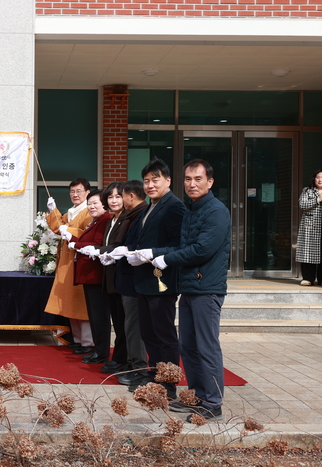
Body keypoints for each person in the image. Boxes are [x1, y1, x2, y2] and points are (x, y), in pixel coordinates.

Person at [152, 159, 231, 422]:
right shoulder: (192, 209)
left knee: (206, 346)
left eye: (198, 179)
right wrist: (153, 254)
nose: (192, 184)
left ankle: (213, 402)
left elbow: (202, 249)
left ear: (210, 182)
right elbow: (181, 246)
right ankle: (196, 396)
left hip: (207, 288)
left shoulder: (216, 211)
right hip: (190, 287)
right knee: (189, 345)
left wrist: (167, 260)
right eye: (187, 179)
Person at [123, 158, 185, 400]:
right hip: (144, 281)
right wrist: (126, 252)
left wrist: (152, 254)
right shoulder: (150, 207)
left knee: (164, 334)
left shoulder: (174, 206)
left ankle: (168, 384)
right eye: (147, 181)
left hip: (163, 280)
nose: (150, 185)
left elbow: (178, 245)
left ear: (167, 180)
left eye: (155, 180)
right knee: (148, 332)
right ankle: (154, 374)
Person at [99, 181, 148, 378]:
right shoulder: (127, 216)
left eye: (120, 196)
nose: (116, 200)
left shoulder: (136, 215)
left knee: (132, 327)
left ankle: (136, 366)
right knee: (124, 325)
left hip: (133, 279)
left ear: (130, 197)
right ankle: (130, 362)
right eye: (111, 197)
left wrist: (118, 250)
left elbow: (126, 244)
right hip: (121, 278)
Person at [44, 178, 94, 354]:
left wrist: (69, 231)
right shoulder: (72, 212)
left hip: (81, 261)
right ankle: (78, 339)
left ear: (87, 192)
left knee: (81, 302)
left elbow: (88, 233)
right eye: (72, 191)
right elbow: (59, 228)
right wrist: (53, 210)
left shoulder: (89, 211)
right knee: (70, 301)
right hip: (67, 261)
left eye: (79, 191)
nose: (75, 194)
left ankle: (88, 342)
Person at [70, 190, 112, 364]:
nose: (91, 206)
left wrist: (76, 243)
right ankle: (98, 349)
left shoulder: (105, 220)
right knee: (94, 315)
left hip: (96, 275)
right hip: (89, 276)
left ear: (104, 204)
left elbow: (97, 244)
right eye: (89, 203)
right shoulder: (95, 221)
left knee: (99, 315)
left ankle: (101, 351)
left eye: (95, 203)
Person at [296, 169, 322, 286]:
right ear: (314, 179)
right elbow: (302, 204)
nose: (320, 180)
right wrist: (318, 199)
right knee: (308, 253)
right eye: (318, 177)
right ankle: (308, 278)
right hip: (310, 228)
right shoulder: (307, 191)